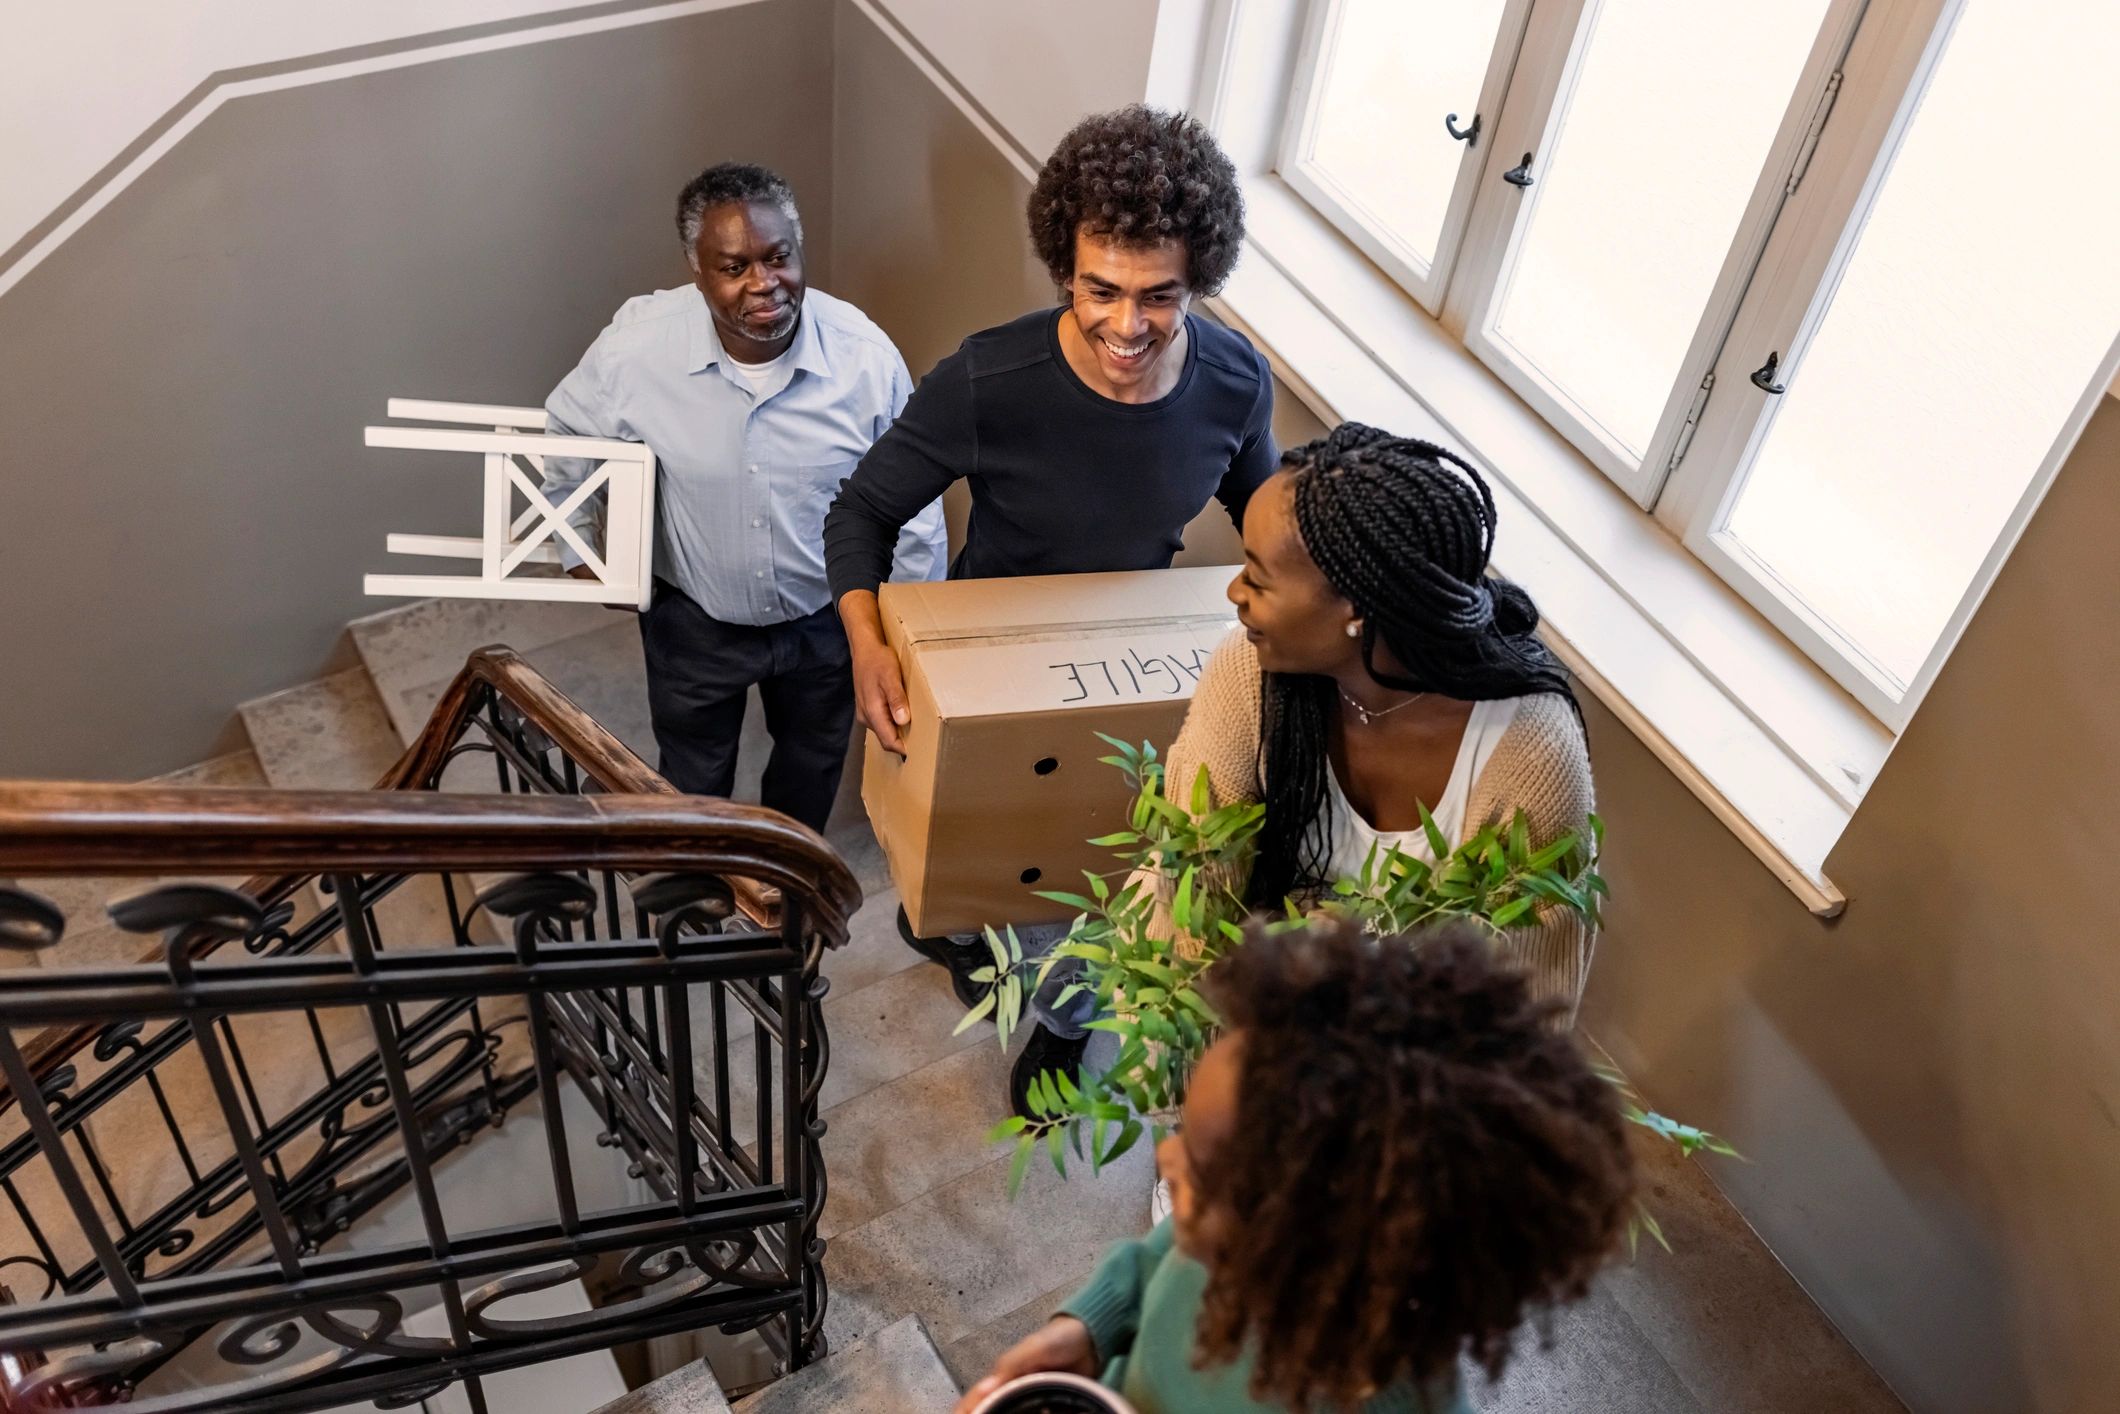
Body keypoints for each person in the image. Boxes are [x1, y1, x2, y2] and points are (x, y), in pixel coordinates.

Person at [822, 106, 1278, 1105]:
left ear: (1199, 277)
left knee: (1091, 890)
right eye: (1099, 291)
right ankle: (944, 928)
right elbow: (859, 512)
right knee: (953, 878)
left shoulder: (1236, 383)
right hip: (979, 659)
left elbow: (1265, 524)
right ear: (1062, 270)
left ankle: (1064, 1040)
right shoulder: (989, 381)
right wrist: (866, 642)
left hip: (1115, 671)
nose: (1126, 325)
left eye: (1158, 297)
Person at [955, 919, 1638, 1414]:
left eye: (1197, 1170)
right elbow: (1157, 1261)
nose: (1164, 1159)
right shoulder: (1219, 1243)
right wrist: (1087, 1328)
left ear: (1312, 1246)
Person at [541, 163, 946, 833]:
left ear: (798, 248)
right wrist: (585, 552)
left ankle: (785, 886)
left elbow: (916, 511)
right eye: (734, 268)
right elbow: (564, 437)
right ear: (697, 271)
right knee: (693, 770)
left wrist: (901, 636)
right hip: (693, 623)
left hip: (827, 620)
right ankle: (702, 890)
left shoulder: (865, 361)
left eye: (778, 257)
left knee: (811, 764)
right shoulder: (633, 355)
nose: (763, 283)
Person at [1163, 421, 1596, 1016]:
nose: (1236, 592)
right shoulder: (1248, 668)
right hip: (1253, 999)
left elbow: (1520, 999)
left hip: (1409, 1049)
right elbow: (1197, 886)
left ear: (1357, 607)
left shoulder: (1529, 750)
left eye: (1258, 578)